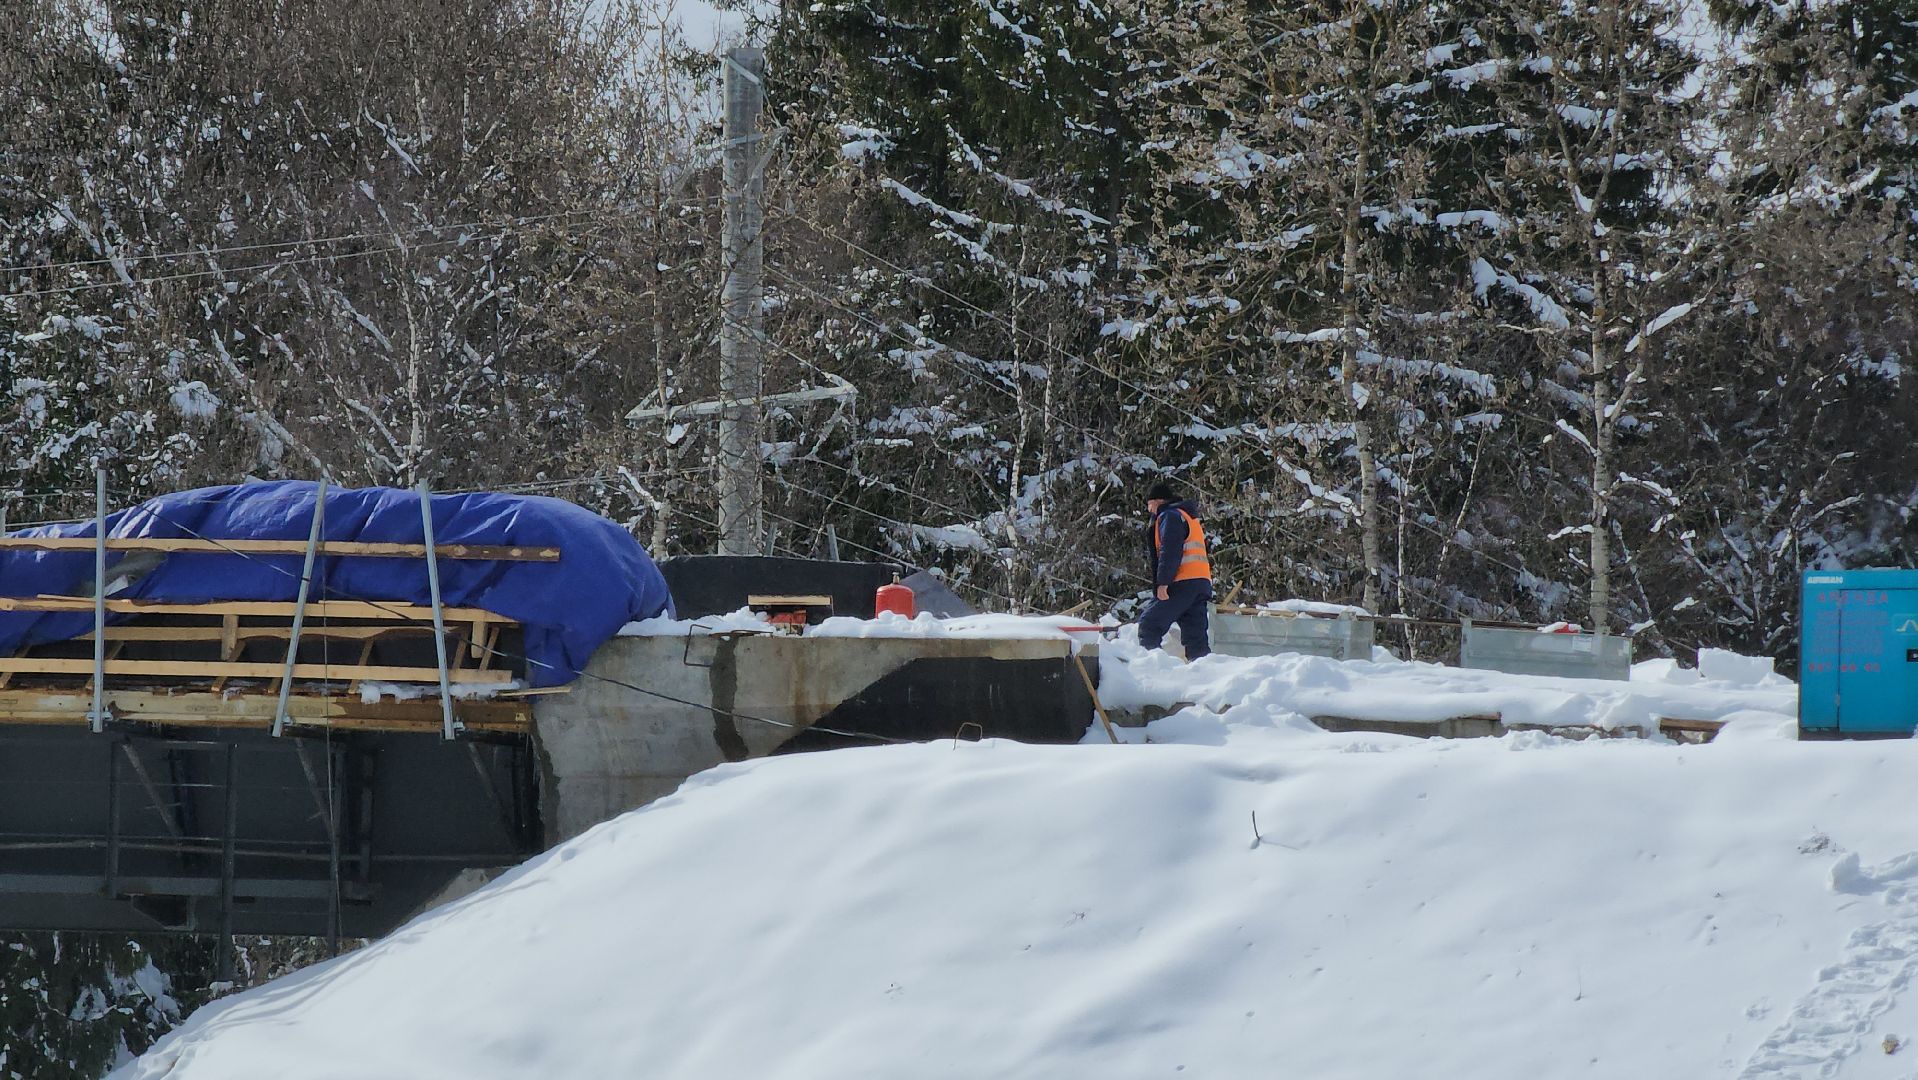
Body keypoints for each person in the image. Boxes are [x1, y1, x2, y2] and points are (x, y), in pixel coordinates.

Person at [1138, 479, 1212, 659]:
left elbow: (1170, 551)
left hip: (1181, 581)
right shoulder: (1187, 516)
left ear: (1157, 501)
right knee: (1196, 639)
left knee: (1149, 625)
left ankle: (1154, 668)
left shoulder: (1169, 516)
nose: (1149, 510)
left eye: (1149, 505)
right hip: (1200, 582)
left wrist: (1163, 583)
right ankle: (1204, 673)